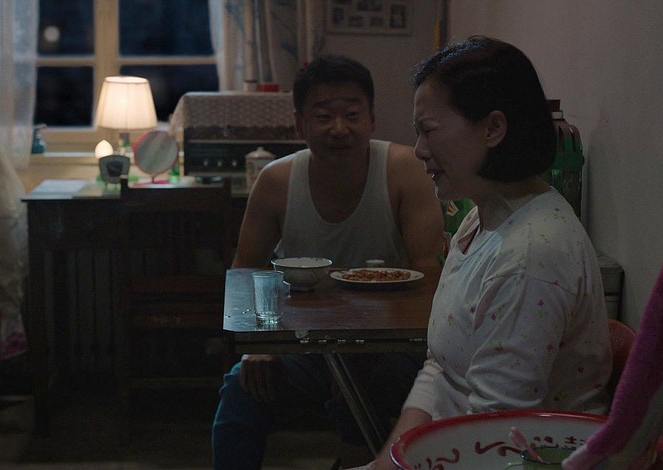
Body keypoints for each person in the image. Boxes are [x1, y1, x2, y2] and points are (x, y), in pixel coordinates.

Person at [371, 36, 612, 469]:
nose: (419, 150)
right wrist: (384, 464)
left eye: (429, 130)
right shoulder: (480, 219)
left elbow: (492, 436)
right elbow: (440, 369)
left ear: (493, 129)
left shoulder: (531, 255)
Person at [211, 55, 445, 469]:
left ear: (372, 119)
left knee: (376, 387)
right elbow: (245, 272)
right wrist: (258, 348)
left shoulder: (405, 171)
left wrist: (363, 351)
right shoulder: (277, 181)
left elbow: (430, 276)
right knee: (239, 394)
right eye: (323, 116)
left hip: (393, 349)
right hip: (305, 348)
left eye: (352, 114)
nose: (339, 128)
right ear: (300, 125)